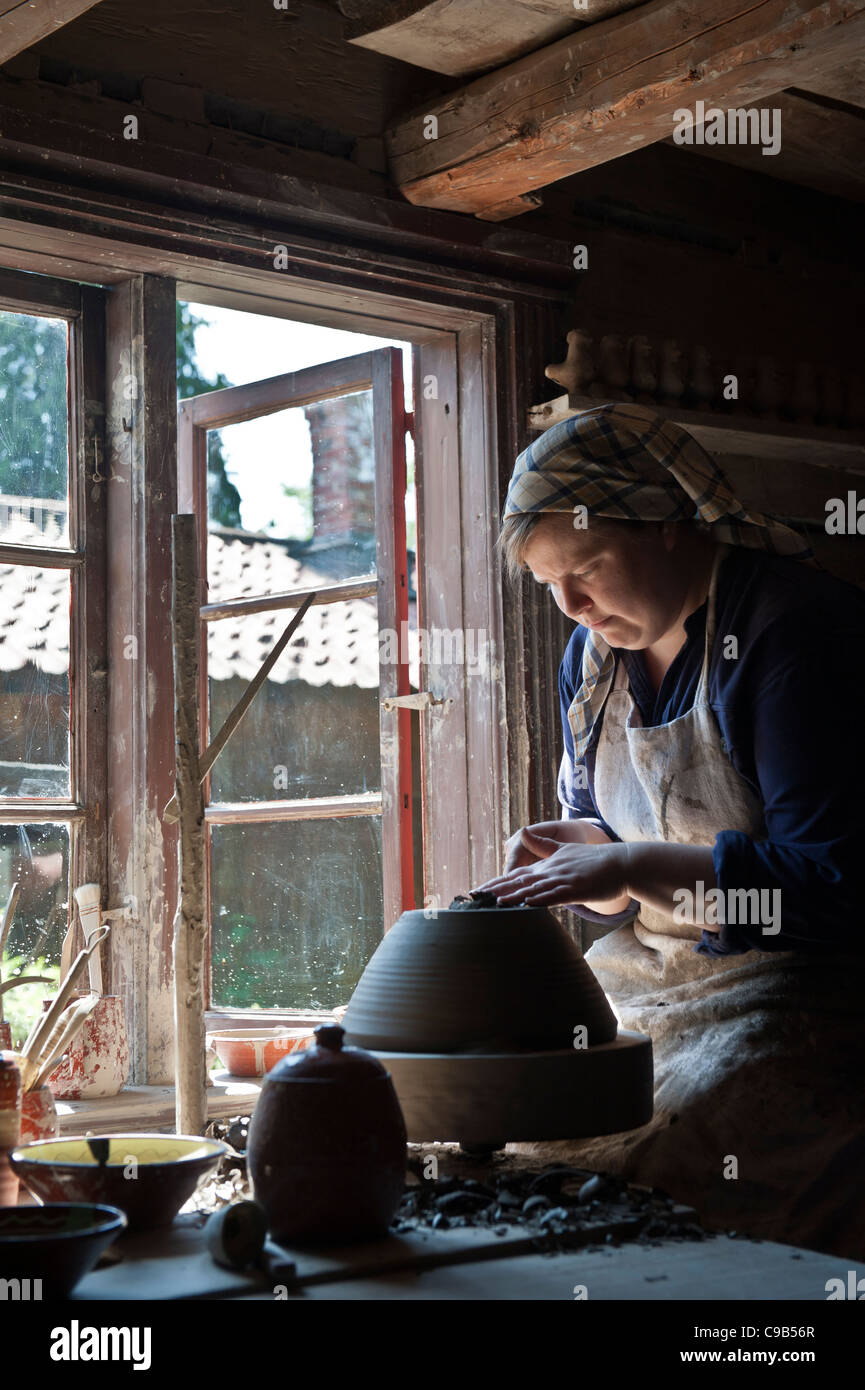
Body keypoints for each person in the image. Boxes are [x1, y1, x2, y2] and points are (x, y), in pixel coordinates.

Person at [477, 402, 865, 1259]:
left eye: (586, 568)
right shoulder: (594, 657)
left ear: (668, 523)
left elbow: (837, 891)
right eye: (549, 586)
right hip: (645, 983)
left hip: (800, 993)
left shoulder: (792, 632)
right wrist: (592, 857)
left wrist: (641, 864)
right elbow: (617, 836)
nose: (572, 605)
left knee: (670, 1152)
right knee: (509, 1115)